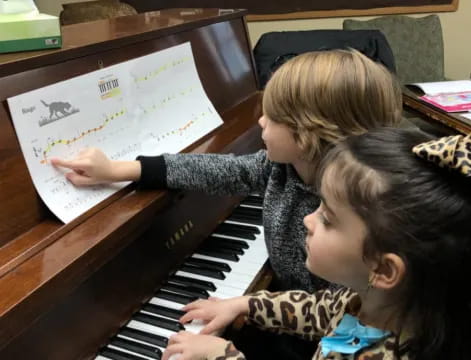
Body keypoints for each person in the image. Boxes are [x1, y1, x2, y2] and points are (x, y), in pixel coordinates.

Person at [51, 49, 402, 294]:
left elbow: (335, 311)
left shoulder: (355, 214)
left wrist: (248, 307)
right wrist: (121, 169)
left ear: (310, 134)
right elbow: (221, 170)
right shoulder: (282, 166)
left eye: (272, 116)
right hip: (284, 308)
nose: (260, 120)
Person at [161, 128, 471, 360]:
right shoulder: (381, 302)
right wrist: (246, 304)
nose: (307, 220)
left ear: (383, 268)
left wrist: (223, 353)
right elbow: (321, 309)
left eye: (327, 218)